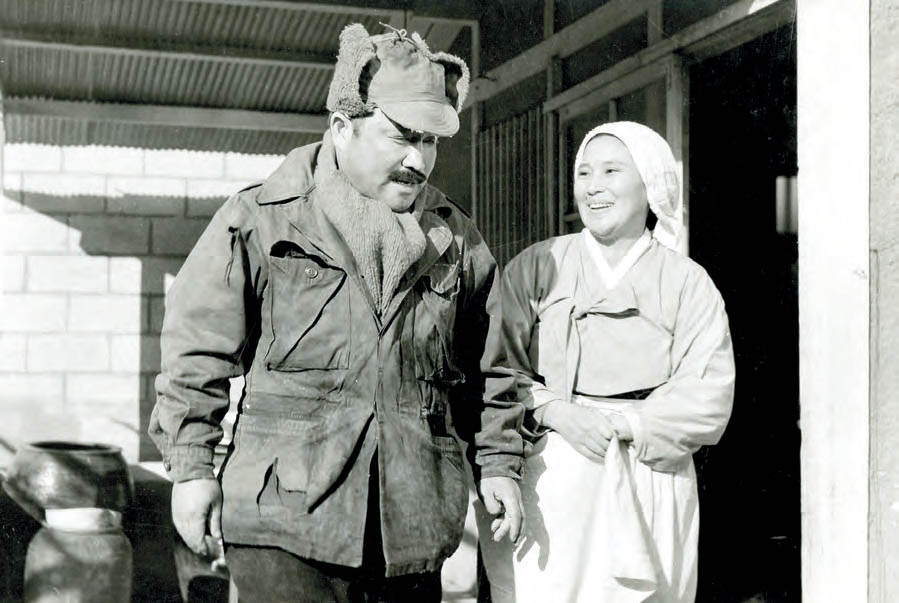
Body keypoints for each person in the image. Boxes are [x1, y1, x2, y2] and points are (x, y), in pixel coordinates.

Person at [149, 23, 522, 602]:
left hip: (410, 524)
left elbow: (492, 365)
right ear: (343, 127)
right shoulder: (263, 218)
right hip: (284, 519)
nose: (419, 159)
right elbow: (198, 347)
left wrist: (498, 463)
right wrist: (192, 467)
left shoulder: (455, 238)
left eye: (430, 141)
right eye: (401, 137)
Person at [475, 121, 736, 602]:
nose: (593, 187)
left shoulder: (687, 282)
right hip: (552, 473)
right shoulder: (538, 264)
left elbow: (708, 395)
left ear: (650, 183)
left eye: (612, 171)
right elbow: (496, 368)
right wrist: (557, 411)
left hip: (648, 473)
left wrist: (624, 425)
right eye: (584, 173)